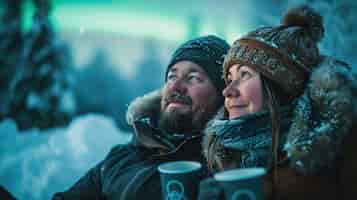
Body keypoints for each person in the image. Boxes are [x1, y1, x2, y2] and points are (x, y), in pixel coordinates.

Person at [199, 5, 357, 200]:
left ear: (280, 87)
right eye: (229, 79)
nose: (228, 91)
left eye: (245, 75)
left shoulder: (336, 147)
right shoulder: (223, 152)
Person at [52, 35, 230, 199]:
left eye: (193, 78)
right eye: (171, 76)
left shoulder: (228, 169)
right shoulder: (121, 158)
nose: (175, 86)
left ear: (223, 94)